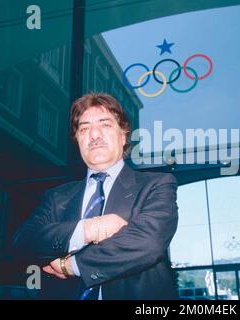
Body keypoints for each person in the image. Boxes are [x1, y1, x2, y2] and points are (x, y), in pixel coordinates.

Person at [12, 93, 179, 300]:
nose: (94, 135)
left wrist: (71, 266)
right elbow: (22, 243)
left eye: (105, 125)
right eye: (84, 129)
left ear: (123, 135)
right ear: (78, 140)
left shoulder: (157, 185)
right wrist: (89, 228)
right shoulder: (56, 197)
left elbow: (148, 242)